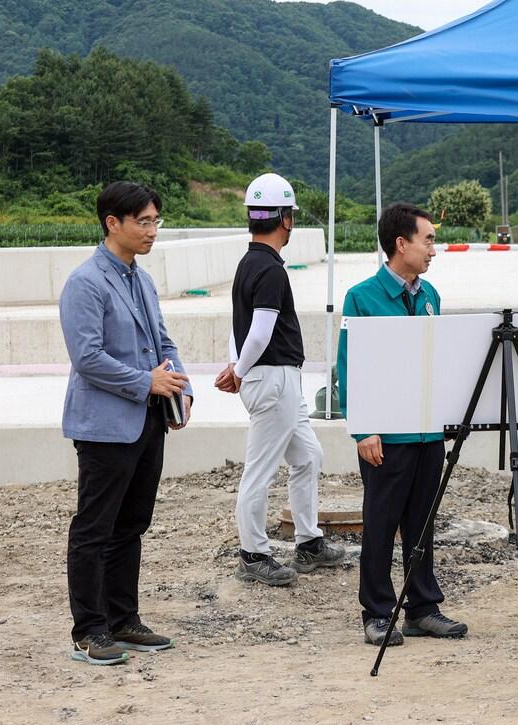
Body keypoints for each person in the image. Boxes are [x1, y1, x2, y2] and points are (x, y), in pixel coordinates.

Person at [60, 181, 191, 666]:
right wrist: (147, 383)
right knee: (94, 528)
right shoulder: (85, 282)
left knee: (131, 524)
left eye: (156, 220)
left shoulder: (142, 279)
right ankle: (89, 630)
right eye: (144, 221)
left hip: (147, 421)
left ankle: (123, 619)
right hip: (104, 426)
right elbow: (87, 357)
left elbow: (163, 341)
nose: (152, 230)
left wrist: (180, 387)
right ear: (112, 223)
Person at [338, 203, 468, 647]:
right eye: (428, 239)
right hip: (386, 435)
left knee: (422, 522)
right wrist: (364, 429)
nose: (434, 248)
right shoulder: (362, 297)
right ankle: (377, 611)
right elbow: (350, 366)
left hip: (427, 431)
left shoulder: (429, 295)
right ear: (401, 243)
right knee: (380, 522)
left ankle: (423, 607)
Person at [216, 174, 345, 587]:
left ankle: (309, 542)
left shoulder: (248, 263)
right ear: (285, 219)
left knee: (308, 457)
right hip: (274, 381)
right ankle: (253, 554)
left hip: (272, 379)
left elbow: (241, 328)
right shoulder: (270, 270)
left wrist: (237, 367)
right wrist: (238, 371)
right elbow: (260, 330)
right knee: (259, 470)